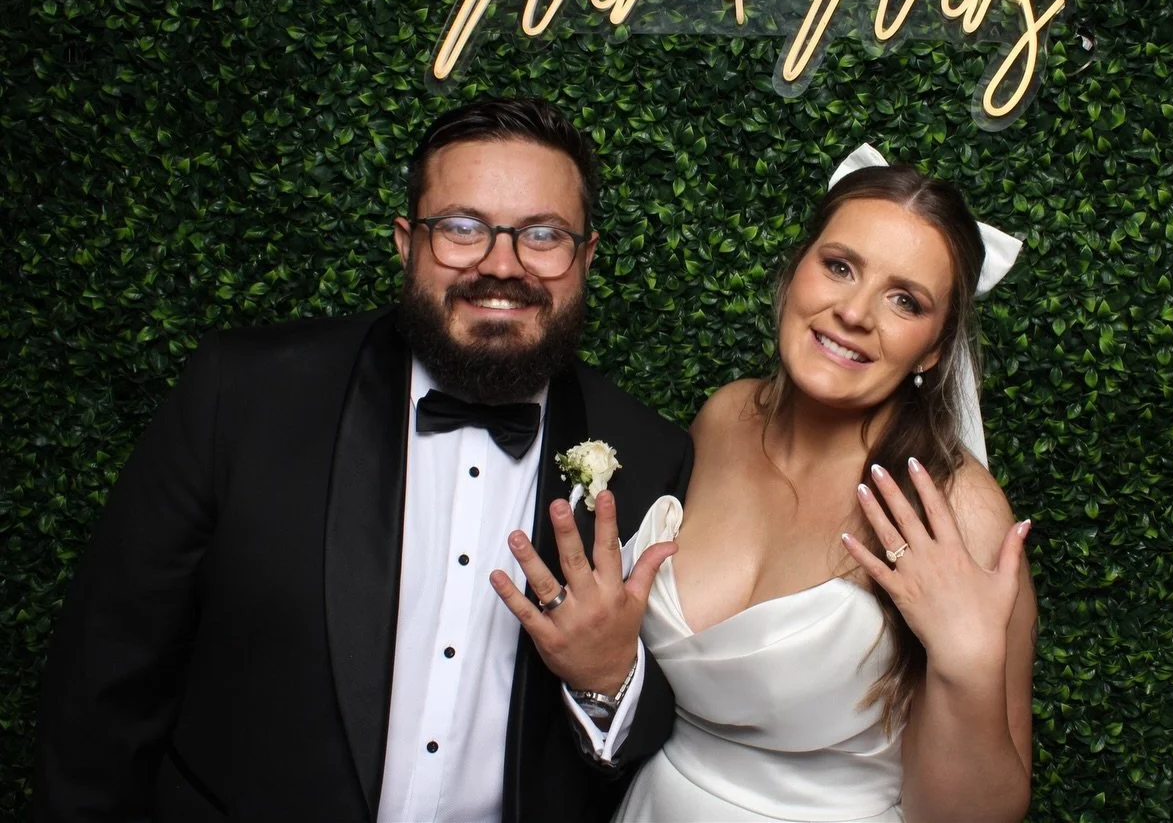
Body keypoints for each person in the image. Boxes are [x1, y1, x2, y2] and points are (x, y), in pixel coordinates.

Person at [34, 97, 693, 823]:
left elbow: (668, 730)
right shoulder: (245, 396)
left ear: (586, 257)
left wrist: (609, 680)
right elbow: (106, 683)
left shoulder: (649, 455)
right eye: (462, 229)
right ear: (405, 241)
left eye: (542, 234)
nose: (501, 265)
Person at [610, 151, 1037, 821]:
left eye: (906, 300)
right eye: (839, 266)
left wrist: (969, 665)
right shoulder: (725, 415)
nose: (855, 311)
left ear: (933, 349)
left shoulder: (955, 508)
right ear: (795, 270)